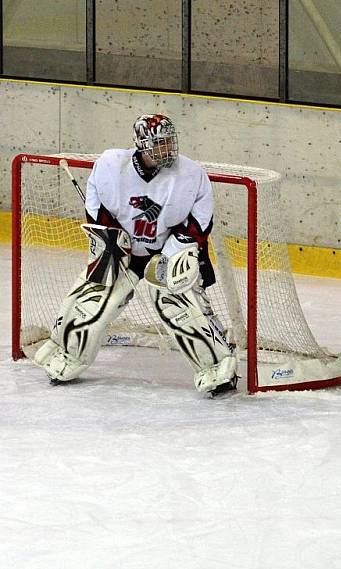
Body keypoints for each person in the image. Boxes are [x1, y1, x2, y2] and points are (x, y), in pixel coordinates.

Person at [32, 114, 238, 398]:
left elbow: (200, 221)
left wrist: (171, 254)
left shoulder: (191, 174)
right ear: (141, 145)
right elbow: (96, 199)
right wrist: (112, 239)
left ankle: (219, 366)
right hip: (124, 249)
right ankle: (65, 353)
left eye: (170, 142)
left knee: (178, 305)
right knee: (94, 300)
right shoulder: (111, 165)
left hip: (167, 250)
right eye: (160, 143)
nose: (168, 149)